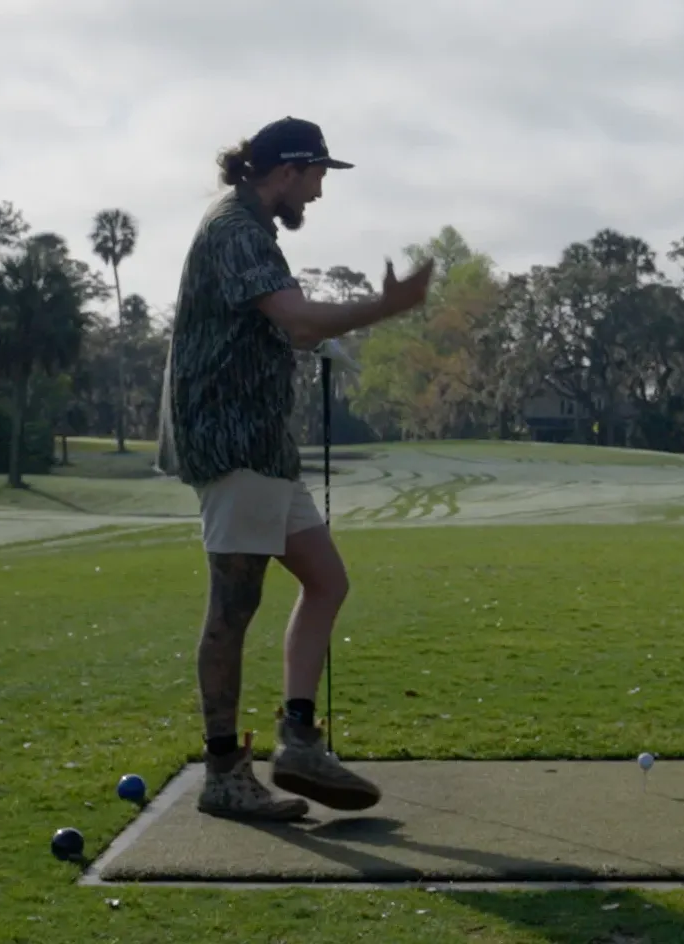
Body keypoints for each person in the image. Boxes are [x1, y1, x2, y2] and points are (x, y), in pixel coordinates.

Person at [164, 116, 435, 820]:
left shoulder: (254, 230)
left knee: (327, 580)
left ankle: (298, 739)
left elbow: (277, 327)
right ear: (286, 170)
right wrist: (386, 306)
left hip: (264, 448)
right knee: (233, 606)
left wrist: (306, 344)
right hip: (232, 444)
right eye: (316, 176)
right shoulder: (236, 231)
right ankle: (224, 772)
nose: (318, 192)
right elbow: (297, 320)